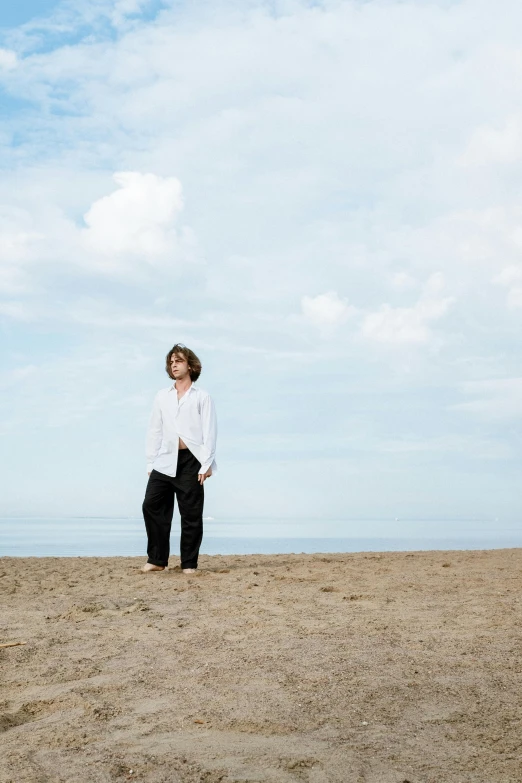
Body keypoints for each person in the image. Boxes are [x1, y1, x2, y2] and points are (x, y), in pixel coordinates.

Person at [141, 344, 217, 574]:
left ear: (191, 365)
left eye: (178, 361)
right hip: (164, 460)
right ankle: (157, 559)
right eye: (171, 361)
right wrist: (150, 462)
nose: (173, 365)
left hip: (192, 462)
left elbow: (209, 432)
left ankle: (189, 564)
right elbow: (154, 429)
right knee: (151, 506)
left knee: (191, 514)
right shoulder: (161, 396)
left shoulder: (202, 397)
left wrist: (207, 464)